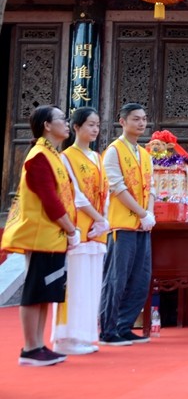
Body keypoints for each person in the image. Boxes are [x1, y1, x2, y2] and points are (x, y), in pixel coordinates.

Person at [1, 105, 79, 366]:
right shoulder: (38, 156)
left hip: (52, 235)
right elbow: (50, 200)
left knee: (46, 292)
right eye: (61, 119)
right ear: (47, 125)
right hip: (40, 235)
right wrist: (71, 229)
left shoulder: (52, 154)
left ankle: (38, 345)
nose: (66, 123)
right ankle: (30, 348)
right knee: (35, 292)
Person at [51, 107, 111, 355]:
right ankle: (65, 338)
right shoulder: (66, 157)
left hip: (97, 230)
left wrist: (104, 219)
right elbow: (74, 194)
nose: (95, 129)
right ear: (76, 127)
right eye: (90, 125)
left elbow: (105, 191)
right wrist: (98, 218)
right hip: (79, 228)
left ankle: (84, 336)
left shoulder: (97, 157)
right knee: (74, 284)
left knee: (91, 284)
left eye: (97, 125)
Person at [99, 102, 155, 346]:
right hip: (121, 226)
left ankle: (125, 326)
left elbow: (151, 187)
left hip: (142, 226)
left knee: (141, 279)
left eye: (143, 119)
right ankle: (108, 330)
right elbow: (117, 188)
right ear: (122, 122)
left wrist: (149, 214)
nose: (141, 123)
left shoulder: (144, 154)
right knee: (116, 279)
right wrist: (142, 213)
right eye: (135, 119)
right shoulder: (113, 151)